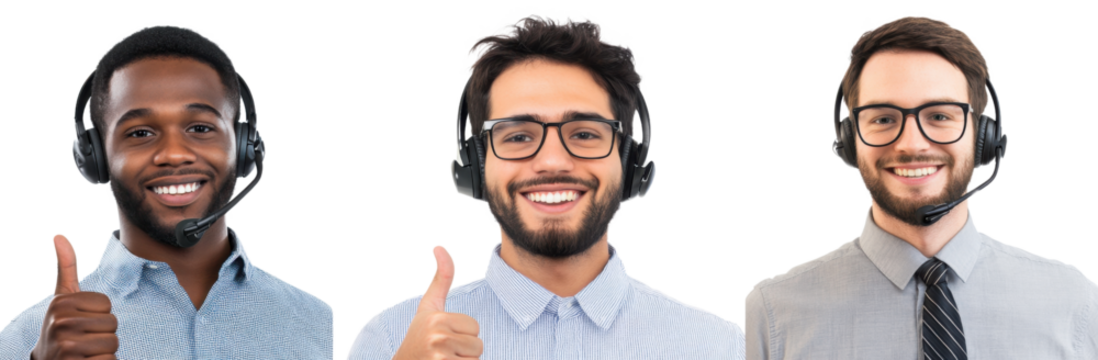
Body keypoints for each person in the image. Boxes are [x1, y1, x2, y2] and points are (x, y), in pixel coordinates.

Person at [346, 12, 744, 359]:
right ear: (477, 165)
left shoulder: (721, 347)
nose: (552, 161)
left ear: (629, 163)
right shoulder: (391, 341)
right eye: (518, 136)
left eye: (585, 134)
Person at [744, 14, 1097, 359]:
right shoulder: (774, 313)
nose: (912, 145)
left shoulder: (1075, 303)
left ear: (984, 137)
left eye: (940, 116)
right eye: (883, 119)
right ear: (849, 142)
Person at [0, 22, 334, 359]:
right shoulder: (26, 337)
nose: (174, 154)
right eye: (140, 133)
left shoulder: (320, 322)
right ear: (96, 157)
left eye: (200, 127)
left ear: (245, 148)